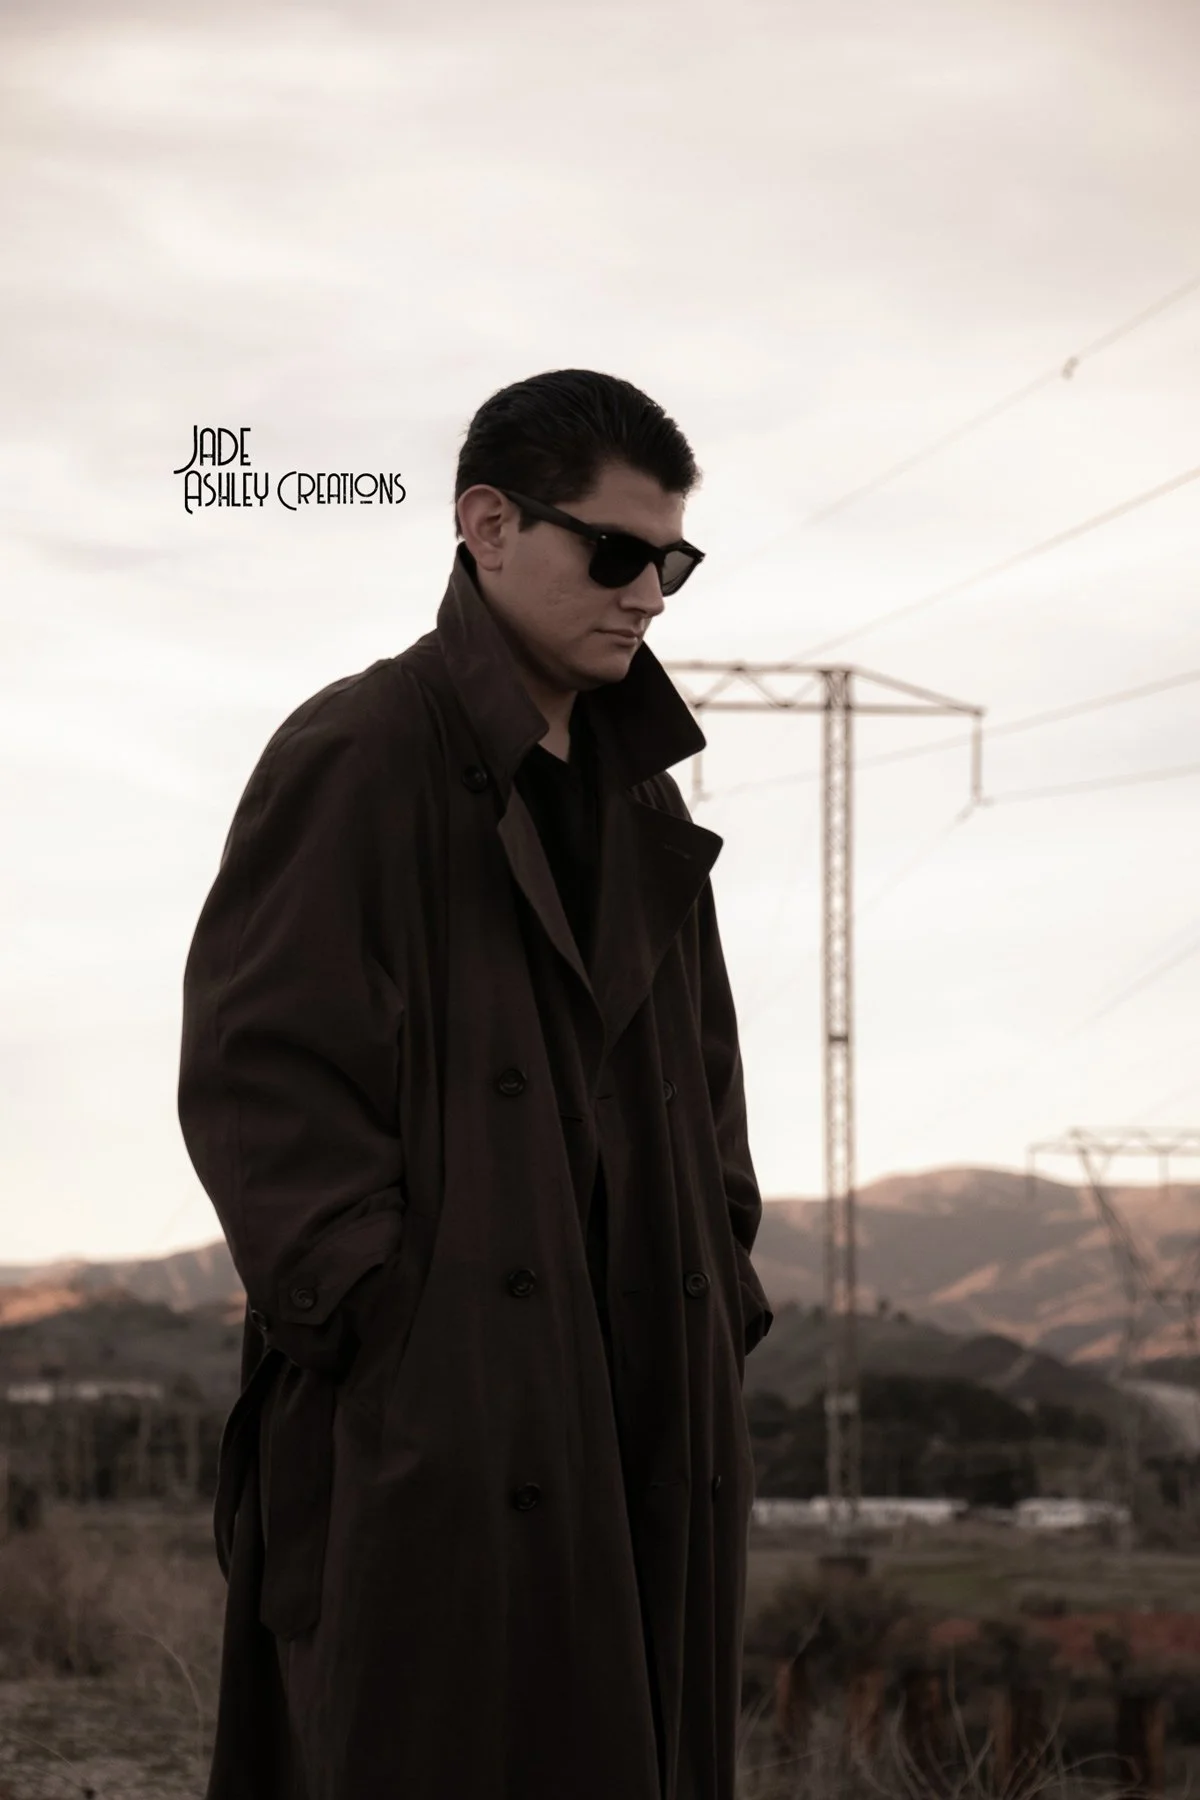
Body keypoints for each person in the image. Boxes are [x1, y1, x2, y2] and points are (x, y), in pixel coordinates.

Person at [177, 368, 774, 1800]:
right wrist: (398, 1335)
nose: (650, 594)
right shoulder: (360, 753)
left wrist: (719, 1286)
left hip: (644, 1403)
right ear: (489, 525)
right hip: (440, 1428)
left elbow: (709, 1090)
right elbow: (265, 1084)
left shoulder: (645, 796)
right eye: (616, 553)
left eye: (674, 561)